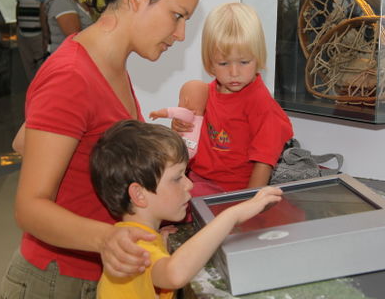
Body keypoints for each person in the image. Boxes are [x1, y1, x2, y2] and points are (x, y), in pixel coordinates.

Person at [0, 0, 204, 299]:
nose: (180, 34)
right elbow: (28, 208)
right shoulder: (72, 74)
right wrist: (107, 237)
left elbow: (26, 139)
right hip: (58, 280)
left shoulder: (109, 64)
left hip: (100, 273)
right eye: (178, 15)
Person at [90, 120, 283, 299]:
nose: (189, 184)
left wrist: (159, 242)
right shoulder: (133, 247)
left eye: (186, 174)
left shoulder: (136, 236)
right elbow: (174, 275)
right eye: (177, 178)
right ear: (139, 194)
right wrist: (232, 215)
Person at [183, 2, 294, 196]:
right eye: (223, 63)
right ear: (209, 63)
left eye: (244, 62)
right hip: (198, 177)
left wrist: (250, 204)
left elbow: (264, 162)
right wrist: (181, 127)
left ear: (258, 58)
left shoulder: (260, 102)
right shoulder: (208, 93)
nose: (234, 73)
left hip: (232, 189)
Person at [149, 79, 208, 158]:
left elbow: (172, 112)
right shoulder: (204, 121)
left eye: (180, 99)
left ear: (186, 101)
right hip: (198, 150)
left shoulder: (188, 114)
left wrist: (158, 113)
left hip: (186, 146)